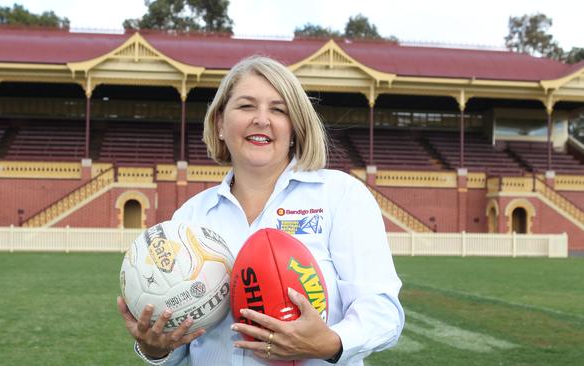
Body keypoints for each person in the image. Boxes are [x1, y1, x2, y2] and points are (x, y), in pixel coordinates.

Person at [117, 55, 404, 365]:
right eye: (246, 106)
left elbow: (383, 312)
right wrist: (157, 348)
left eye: (278, 109)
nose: (262, 119)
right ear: (220, 124)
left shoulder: (341, 196)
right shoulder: (190, 218)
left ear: (294, 128)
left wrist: (330, 342)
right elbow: (183, 349)